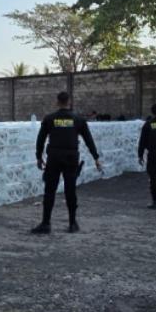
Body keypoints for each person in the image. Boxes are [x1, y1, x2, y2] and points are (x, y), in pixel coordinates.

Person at [32, 91, 103, 234]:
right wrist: (96, 157)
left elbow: (40, 140)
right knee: (70, 190)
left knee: (50, 190)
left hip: (54, 157)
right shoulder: (78, 120)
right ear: (69, 102)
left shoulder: (49, 118)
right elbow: (89, 140)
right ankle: (72, 223)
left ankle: (46, 224)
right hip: (71, 157)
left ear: (57, 102)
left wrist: (39, 157)